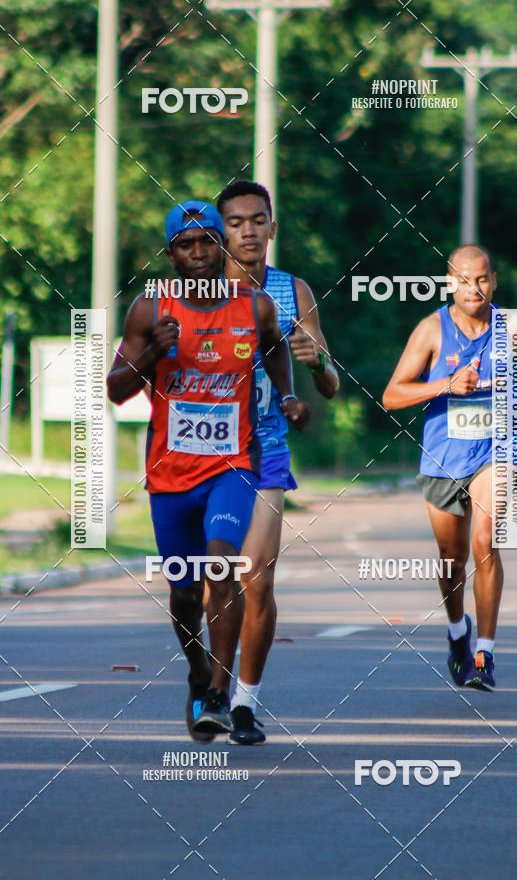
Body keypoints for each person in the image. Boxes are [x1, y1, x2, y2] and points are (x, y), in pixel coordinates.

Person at [107, 200, 309, 740]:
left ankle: (219, 695)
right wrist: (152, 355)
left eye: (206, 242)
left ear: (221, 247)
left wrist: (288, 396)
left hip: (232, 468)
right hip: (170, 475)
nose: (197, 252)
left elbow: (275, 350)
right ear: (170, 255)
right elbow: (115, 390)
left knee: (222, 567)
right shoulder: (150, 311)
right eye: (185, 244)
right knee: (182, 594)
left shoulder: (255, 306)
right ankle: (197, 674)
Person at [382, 245, 517, 691]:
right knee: (451, 559)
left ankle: (485, 655)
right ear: (449, 283)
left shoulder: (514, 325)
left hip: (498, 453)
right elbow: (392, 395)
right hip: (443, 457)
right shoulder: (431, 329)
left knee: (486, 543)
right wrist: (445, 385)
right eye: (464, 280)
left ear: (493, 281)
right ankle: (459, 631)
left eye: (482, 279)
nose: (473, 288)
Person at [214, 180, 340, 743]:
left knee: (256, 580)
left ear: (271, 227)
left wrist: (316, 368)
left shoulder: (295, 292)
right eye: (236, 221)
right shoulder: (193, 292)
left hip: (264, 448)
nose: (247, 230)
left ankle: (243, 702)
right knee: (214, 579)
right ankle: (212, 689)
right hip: (204, 450)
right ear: (221, 233)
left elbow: (330, 389)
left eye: (257, 220)